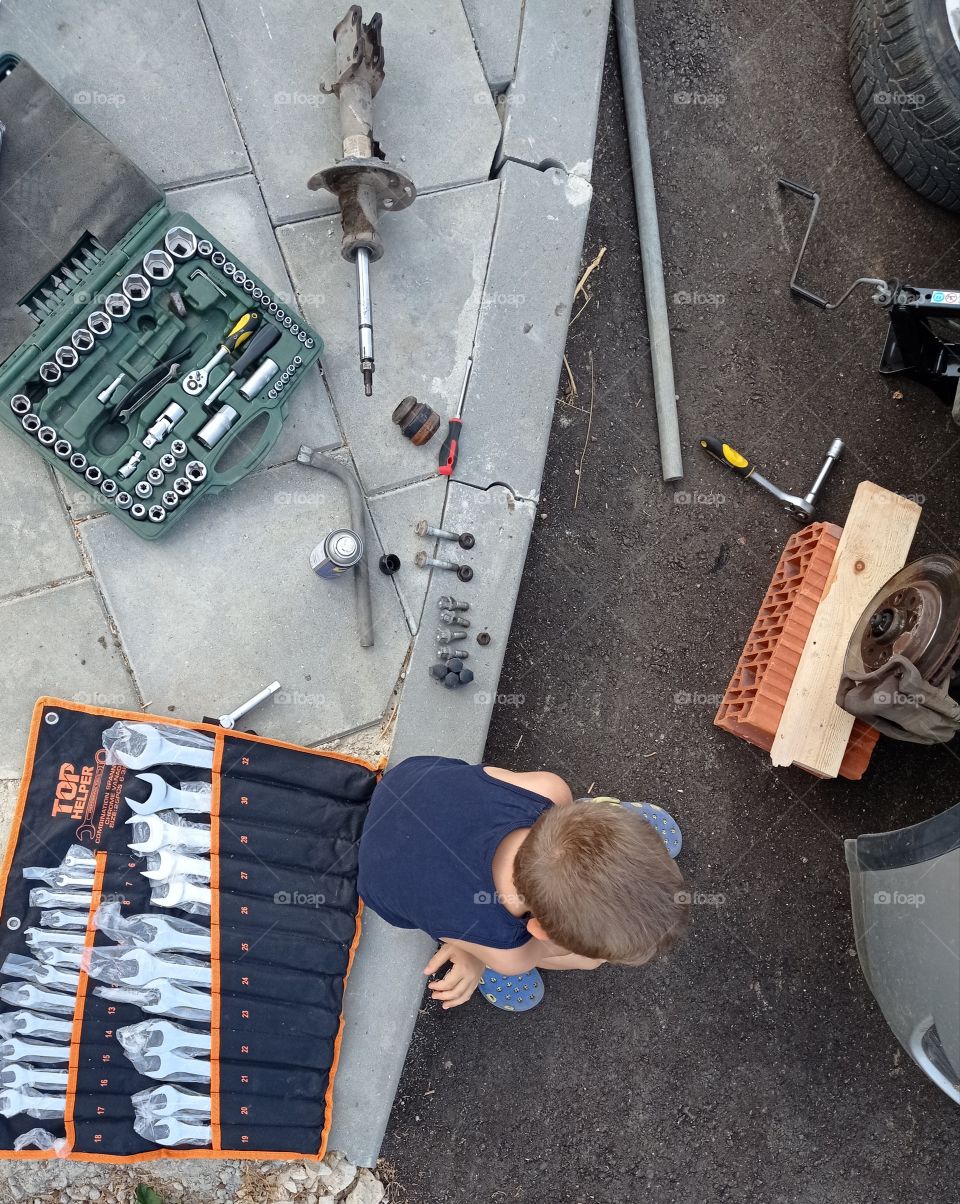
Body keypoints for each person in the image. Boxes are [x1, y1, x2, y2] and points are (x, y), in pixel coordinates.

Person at [357, 756, 688, 1012]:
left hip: (408, 782)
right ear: (539, 930)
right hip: (382, 877)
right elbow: (540, 945)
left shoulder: (548, 790)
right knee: (589, 960)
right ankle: (472, 948)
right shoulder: (510, 954)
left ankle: (591, 833)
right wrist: (477, 954)